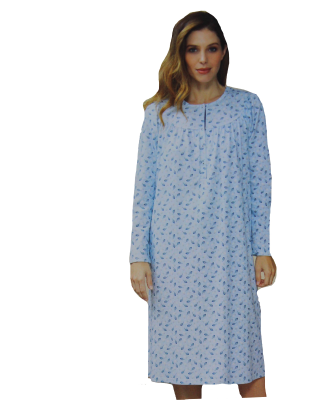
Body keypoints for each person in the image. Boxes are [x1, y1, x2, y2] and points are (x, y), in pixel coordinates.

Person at [129, 11, 277, 399]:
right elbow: (144, 189)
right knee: (183, 362)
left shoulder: (247, 107)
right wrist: (138, 256)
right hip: (173, 258)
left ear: (223, 52)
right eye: (193, 50)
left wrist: (262, 248)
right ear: (180, 54)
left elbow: (260, 181)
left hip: (230, 251)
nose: (203, 59)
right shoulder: (159, 114)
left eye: (211, 49)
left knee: (247, 361)